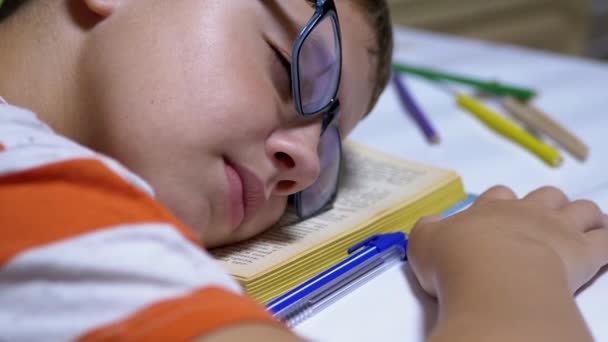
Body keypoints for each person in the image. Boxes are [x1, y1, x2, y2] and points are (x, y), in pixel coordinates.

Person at [0, 0, 605, 341]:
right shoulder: (31, 189)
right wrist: (509, 264)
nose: (305, 163)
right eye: (290, 66)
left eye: (329, 149)